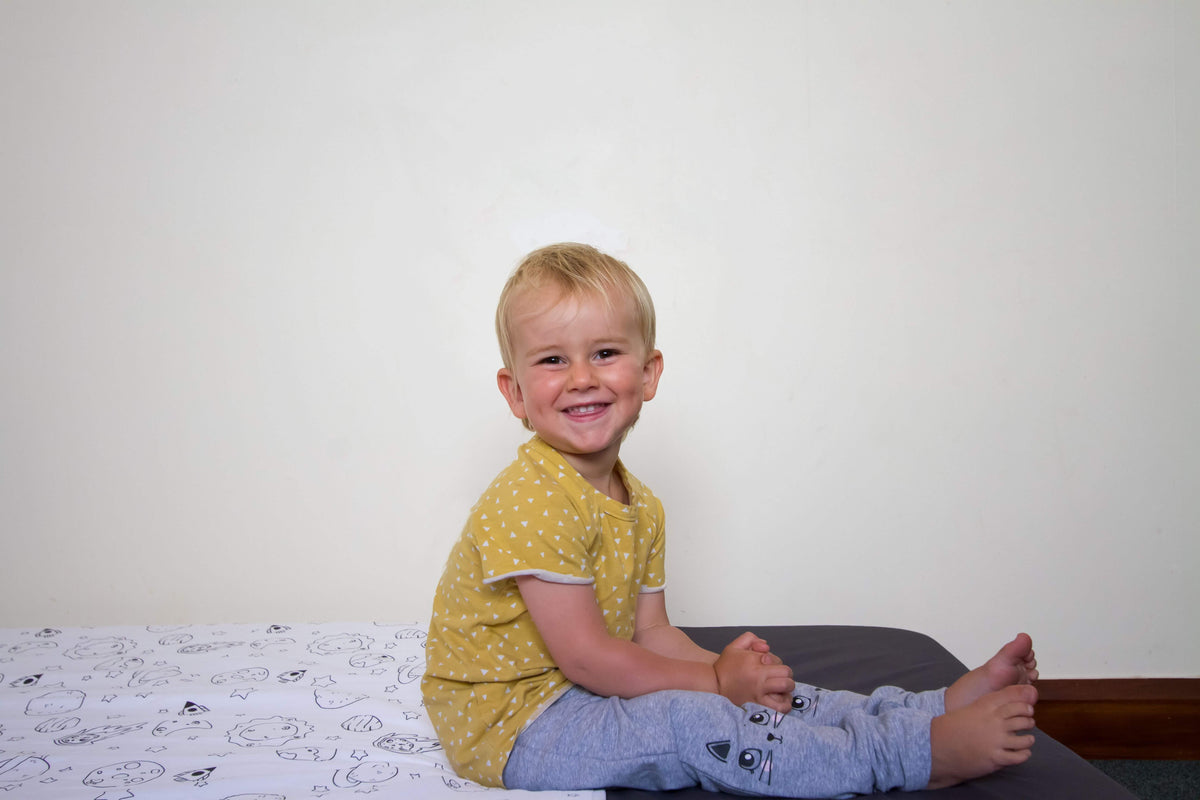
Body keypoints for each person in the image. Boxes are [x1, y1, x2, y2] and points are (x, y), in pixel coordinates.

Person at [421, 243, 1039, 797]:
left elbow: (651, 633)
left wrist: (731, 675)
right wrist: (713, 687)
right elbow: (587, 658)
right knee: (698, 721)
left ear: (648, 373)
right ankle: (914, 755)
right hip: (515, 722)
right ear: (515, 395)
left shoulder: (642, 505)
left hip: (576, 690)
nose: (582, 378)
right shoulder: (532, 497)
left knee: (769, 691)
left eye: (605, 353)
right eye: (553, 360)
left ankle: (927, 710)